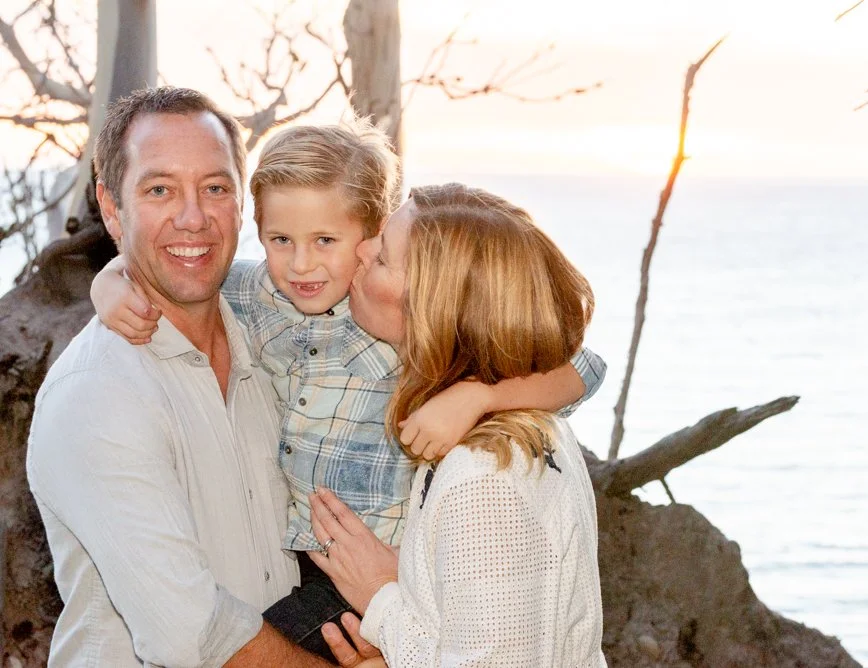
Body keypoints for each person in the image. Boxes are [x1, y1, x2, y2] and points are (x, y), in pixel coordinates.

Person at [89, 116, 607, 661]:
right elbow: (176, 275)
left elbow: (581, 365)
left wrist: (480, 396)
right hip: (317, 566)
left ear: (373, 237)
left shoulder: (422, 361)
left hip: (391, 570)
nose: (302, 263)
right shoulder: (262, 294)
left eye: (330, 241)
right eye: (280, 240)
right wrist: (109, 285)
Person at [27, 87, 375, 667]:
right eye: (160, 189)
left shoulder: (280, 340)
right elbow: (192, 635)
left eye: (215, 188)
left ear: (243, 206)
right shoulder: (97, 394)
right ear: (111, 208)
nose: (194, 218)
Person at [306, 184, 608, 666]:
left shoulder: (484, 477)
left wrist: (380, 594)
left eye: (383, 257)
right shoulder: (525, 421)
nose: (360, 250)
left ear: (432, 306)